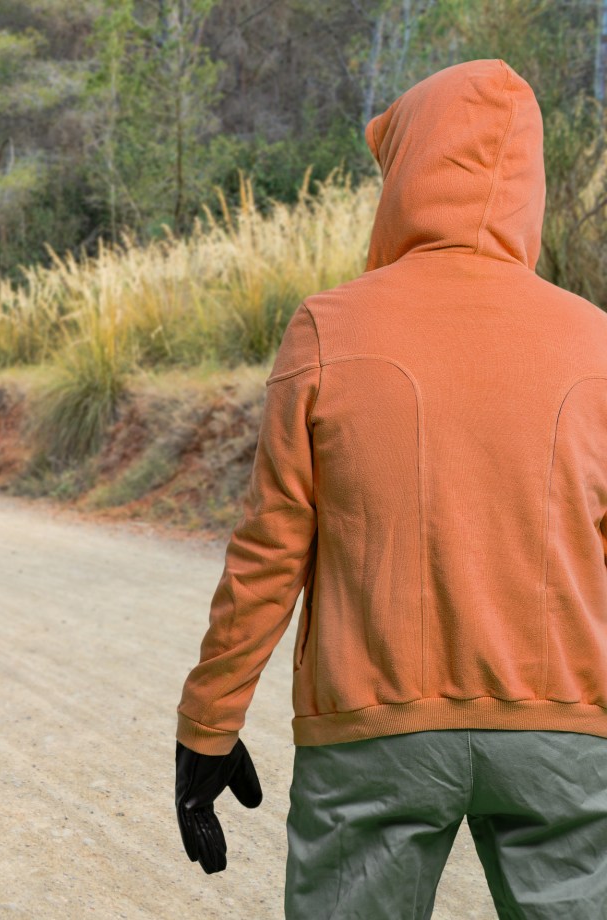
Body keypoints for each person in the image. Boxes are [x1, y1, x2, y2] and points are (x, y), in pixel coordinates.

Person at [175, 59, 607, 918]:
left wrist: (207, 723)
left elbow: (269, 555)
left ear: (407, 174)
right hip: (567, 731)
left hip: (373, 733)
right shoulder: (595, 340)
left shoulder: (330, 328)